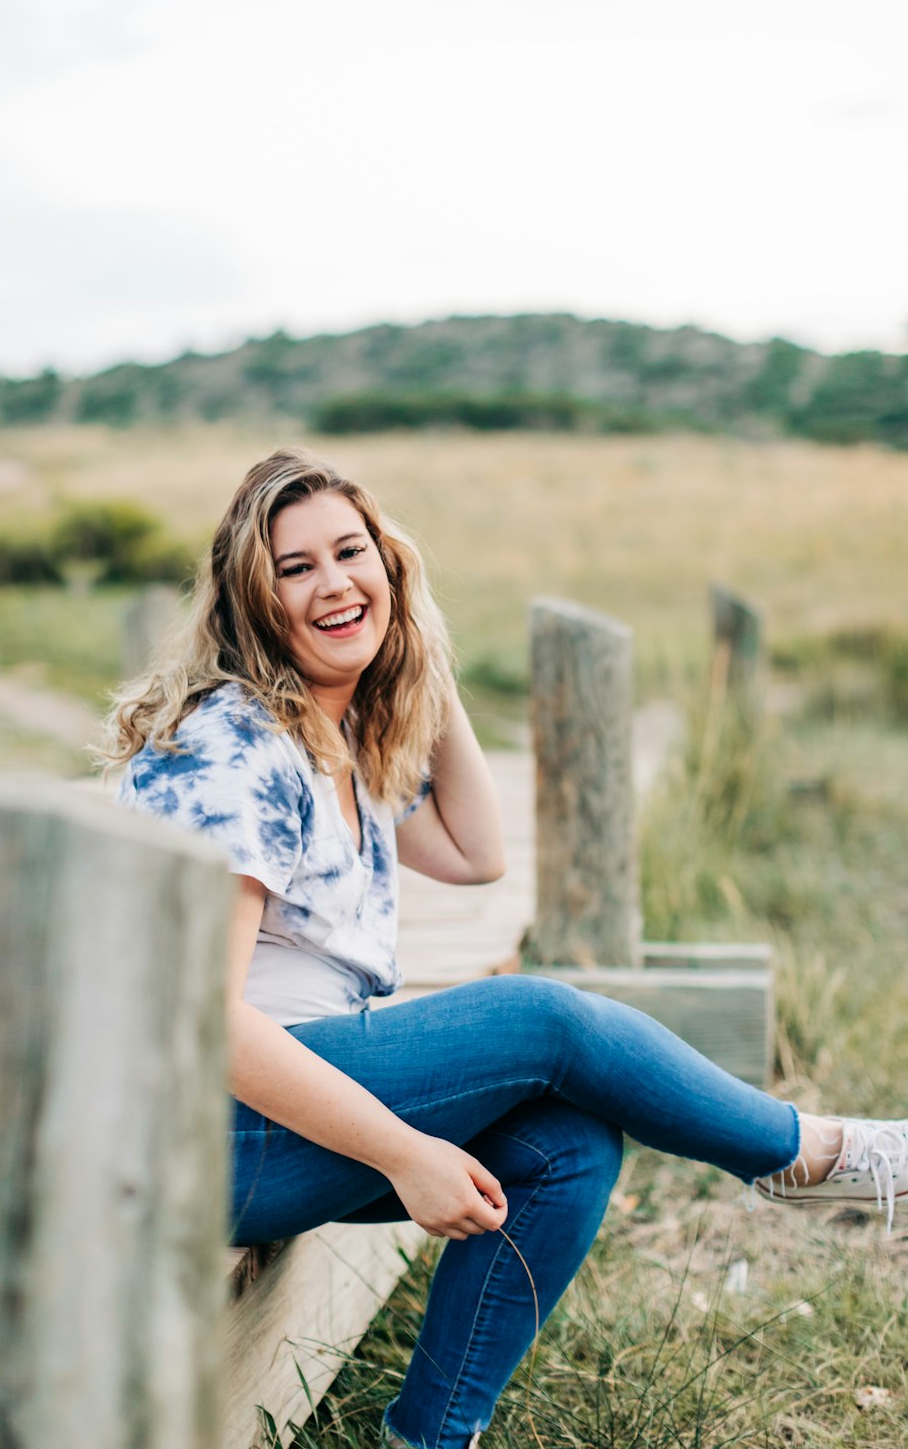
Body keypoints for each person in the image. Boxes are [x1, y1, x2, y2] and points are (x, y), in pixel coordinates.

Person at [107, 447, 908, 1449]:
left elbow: (474, 853)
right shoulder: (236, 746)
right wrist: (403, 1155)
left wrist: (419, 656)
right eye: (294, 567)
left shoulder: (328, 741)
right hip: (185, 1136)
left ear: (391, 567)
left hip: (260, 1121)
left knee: (565, 1148)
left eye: (352, 554)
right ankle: (810, 1156)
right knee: (543, 1020)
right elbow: (201, 1021)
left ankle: (429, 1438)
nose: (331, 583)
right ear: (252, 601)